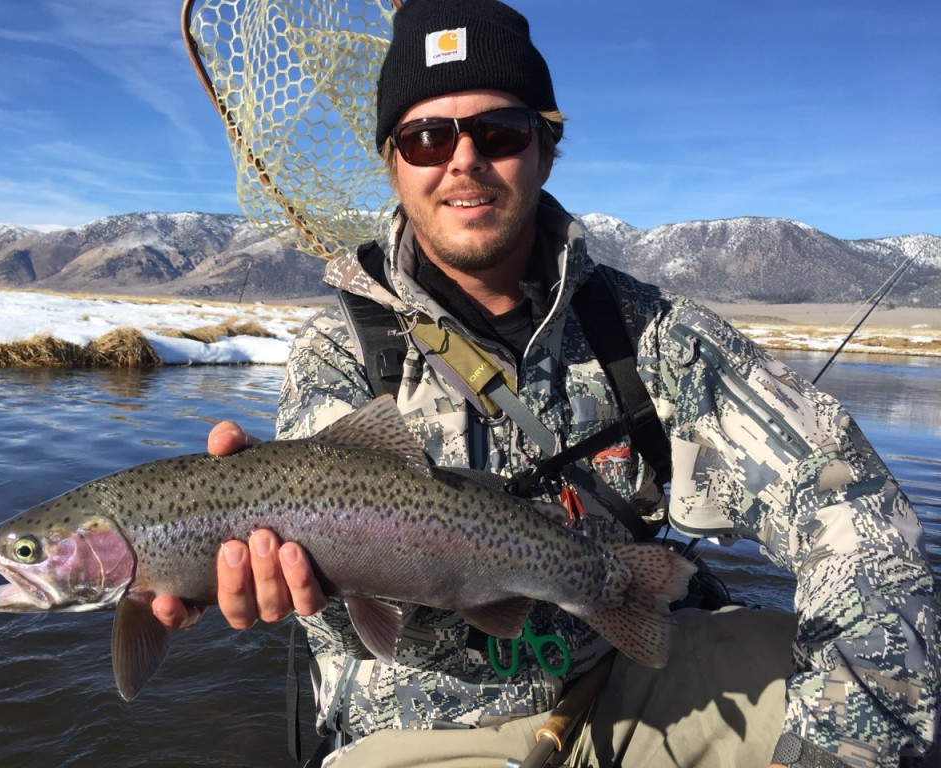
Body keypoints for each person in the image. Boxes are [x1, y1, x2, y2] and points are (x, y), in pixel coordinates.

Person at [154, 0, 940, 765]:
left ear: (544, 147)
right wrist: (277, 581)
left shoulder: (653, 334)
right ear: (392, 163)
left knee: (877, 688)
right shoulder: (341, 354)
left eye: (498, 130)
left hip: (636, 674)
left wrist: (829, 753)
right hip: (420, 722)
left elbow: (854, 510)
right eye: (427, 137)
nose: (463, 159)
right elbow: (337, 617)